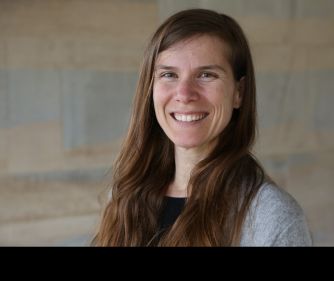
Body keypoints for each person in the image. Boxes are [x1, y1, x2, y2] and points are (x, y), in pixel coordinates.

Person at [92, 8, 312, 246]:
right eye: (169, 74)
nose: (184, 94)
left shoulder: (271, 218)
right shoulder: (125, 197)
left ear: (239, 92)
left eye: (206, 75)